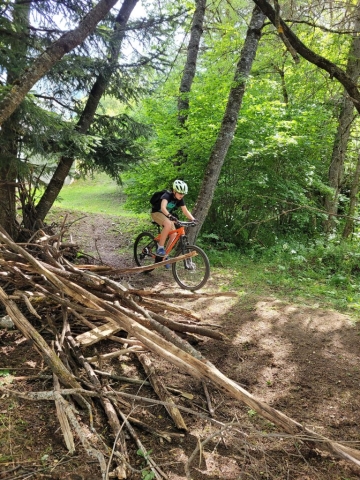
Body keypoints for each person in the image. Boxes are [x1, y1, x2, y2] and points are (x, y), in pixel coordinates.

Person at [151, 179, 196, 257]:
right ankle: (160, 248)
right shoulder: (167, 195)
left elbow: (185, 211)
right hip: (156, 213)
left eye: (183, 194)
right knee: (168, 224)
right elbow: (163, 208)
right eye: (180, 193)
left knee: (174, 234)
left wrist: (193, 219)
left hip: (166, 216)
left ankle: (165, 255)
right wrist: (170, 216)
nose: (182, 195)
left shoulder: (180, 199)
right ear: (174, 191)